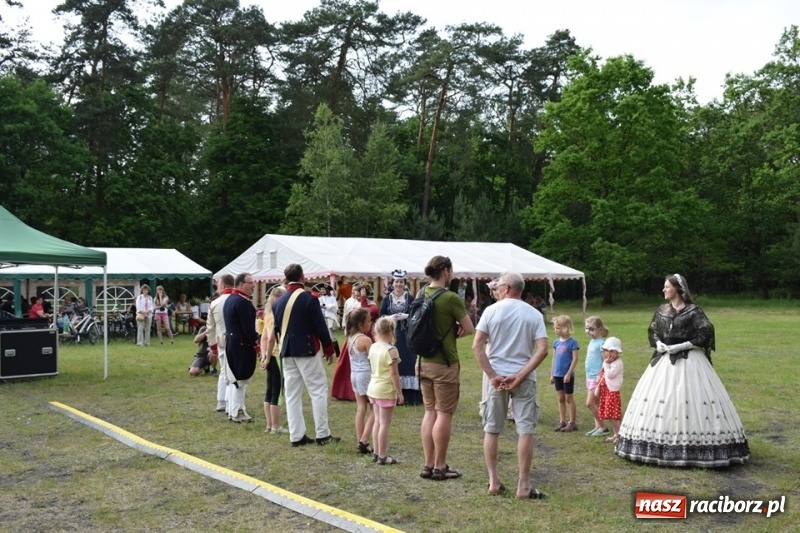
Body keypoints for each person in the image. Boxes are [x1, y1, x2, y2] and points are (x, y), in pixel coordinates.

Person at [615, 274, 750, 467]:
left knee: (689, 397)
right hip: (664, 361)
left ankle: (696, 447)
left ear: (678, 289)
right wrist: (659, 344)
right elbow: (653, 330)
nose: (663, 290)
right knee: (662, 398)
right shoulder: (662, 310)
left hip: (690, 361)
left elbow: (706, 333)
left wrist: (685, 345)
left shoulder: (694, 311)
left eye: (667, 287)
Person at [472, 272, 548, 499]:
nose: (496, 290)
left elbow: (477, 347)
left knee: (492, 429)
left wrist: (493, 376)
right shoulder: (533, 314)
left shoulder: (491, 311)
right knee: (525, 430)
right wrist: (521, 375)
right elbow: (542, 349)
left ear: (505, 288)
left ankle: (494, 481)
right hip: (523, 379)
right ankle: (523, 486)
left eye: (498, 287)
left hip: (497, 378)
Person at [265, 263, 339, 447]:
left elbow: (277, 330)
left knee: (292, 395)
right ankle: (322, 433)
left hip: (287, 351)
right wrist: (329, 349)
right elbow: (320, 327)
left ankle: (296, 436)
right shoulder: (309, 299)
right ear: (302, 277)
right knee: (317, 391)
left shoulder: (278, 302)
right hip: (307, 350)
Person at [417, 256, 474, 481]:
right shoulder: (450, 298)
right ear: (446, 271)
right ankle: (440, 466)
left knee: (429, 412)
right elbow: (469, 328)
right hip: (444, 362)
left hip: (422, 361)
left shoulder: (421, 293)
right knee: (443, 414)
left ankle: (428, 464)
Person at [378, 269, 421, 405]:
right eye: (396, 282)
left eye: (401, 282)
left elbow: (416, 315)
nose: (399, 284)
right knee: (393, 362)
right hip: (391, 335)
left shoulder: (410, 298)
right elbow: (380, 317)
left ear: (404, 283)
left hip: (406, 335)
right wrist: (390, 318)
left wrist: (407, 316)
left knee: (407, 361)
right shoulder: (387, 299)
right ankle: (394, 393)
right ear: (393, 283)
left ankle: (410, 396)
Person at [223, 273, 260, 423]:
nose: (252, 286)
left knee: (235, 378)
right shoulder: (242, 303)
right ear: (240, 284)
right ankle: (237, 411)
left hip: (232, 342)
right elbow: (248, 329)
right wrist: (257, 345)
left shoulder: (230, 300)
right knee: (241, 379)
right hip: (242, 345)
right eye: (250, 283)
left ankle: (232, 408)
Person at [368, 316, 404, 465]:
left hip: (373, 387)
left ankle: (376, 452)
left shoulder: (373, 346)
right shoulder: (391, 350)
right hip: (385, 389)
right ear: (391, 331)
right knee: (384, 423)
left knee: (377, 421)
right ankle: (382, 455)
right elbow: (394, 374)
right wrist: (399, 392)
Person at [260, 286, 288, 434]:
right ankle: (276, 426)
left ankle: (269, 425)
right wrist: (269, 354)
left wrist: (264, 356)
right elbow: (270, 339)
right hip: (277, 355)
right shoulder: (278, 315)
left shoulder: (268, 314)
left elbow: (263, 338)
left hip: (269, 356)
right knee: (277, 393)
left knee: (269, 390)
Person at [346, 308, 375, 455]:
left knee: (360, 408)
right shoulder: (366, 339)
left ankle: (360, 440)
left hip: (354, 375)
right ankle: (363, 440)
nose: (371, 323)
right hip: (365, 375)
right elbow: (373, 358)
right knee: (375, 409)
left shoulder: (350, 338)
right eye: (369, 321)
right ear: (360, 324)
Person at [207, 275, 234, 413]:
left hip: (221, 341)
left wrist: (212, 346)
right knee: (232, 373)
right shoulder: (238, 300)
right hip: (234, 341)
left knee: (224, 371)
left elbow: (210, 328)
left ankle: (222, 401)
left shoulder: (215, 303)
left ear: (222, 285)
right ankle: (230, 403)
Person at [550, 315, 579, 432]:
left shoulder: (572, 343)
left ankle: (572, 422)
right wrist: (552, 374)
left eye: (559, 328)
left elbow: (575, 359)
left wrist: (568, 374)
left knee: (568, 398)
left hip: (567, 375)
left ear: (566, 328)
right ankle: (562, 421)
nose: (556, 330)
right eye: (555, 328)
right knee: (560, 398)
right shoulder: (556, 343)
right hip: (557, 375)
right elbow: (554, 358)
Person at [584, 316, 610, 437]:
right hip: (590, 377)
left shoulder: (601, 344)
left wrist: (602, 375)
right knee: (597, 403)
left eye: (591, 329)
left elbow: (605, 361)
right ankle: (598, 426)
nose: (589, 332)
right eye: (587, 329)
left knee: (589, 403)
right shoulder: (592, 342)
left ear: (599, 329)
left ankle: (603, 427)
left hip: (597, 378)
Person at [596, 336, 624, 444]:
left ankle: (619, 435)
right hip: (606, 391)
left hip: (612, 392)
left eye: (612, 351)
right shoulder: (609, 362)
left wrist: (606, 364)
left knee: (613, 416)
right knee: (609, 415)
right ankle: (616, 434)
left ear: (617, 352)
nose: (609, 353)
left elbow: (610, 375)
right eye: (607, 350)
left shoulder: (617, 363)